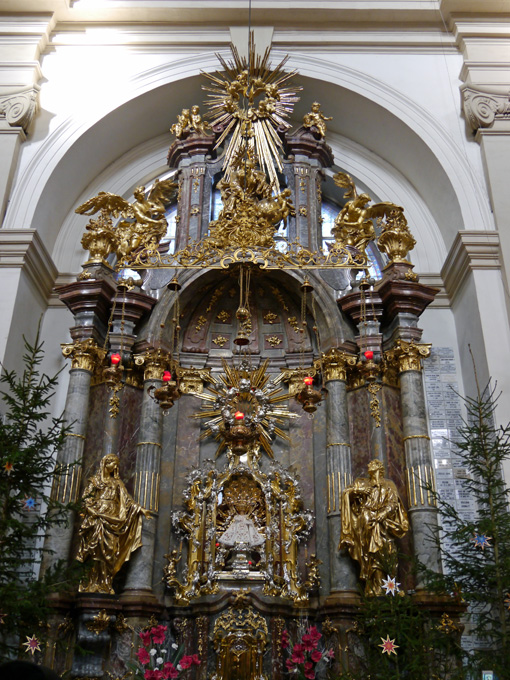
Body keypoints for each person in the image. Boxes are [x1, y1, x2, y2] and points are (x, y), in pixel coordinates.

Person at [77, 454, 149, 594]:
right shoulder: (95, 481)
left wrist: (141, 509)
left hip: (113, 521)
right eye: (112, 463)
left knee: (109, 553)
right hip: (97, 520)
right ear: (105, 464)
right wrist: (93, 511)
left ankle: (105, 583)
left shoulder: (117, 483)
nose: (115, 467)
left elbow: (127, 501)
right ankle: (91, 583)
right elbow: (86, 500)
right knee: (94, 551)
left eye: (117, 464)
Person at [339, 459, 409, 595]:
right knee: (371, 555)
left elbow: (394, 502)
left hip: (383, 525)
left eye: (373, 464)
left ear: (379, 468)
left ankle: (389, 588)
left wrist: (383, 514)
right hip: (366, 524)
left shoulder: (389, 484)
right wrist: (358, 491)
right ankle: (374, 587)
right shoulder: (363, 483)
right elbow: (347, 494)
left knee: (387, 551)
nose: (368, 465)